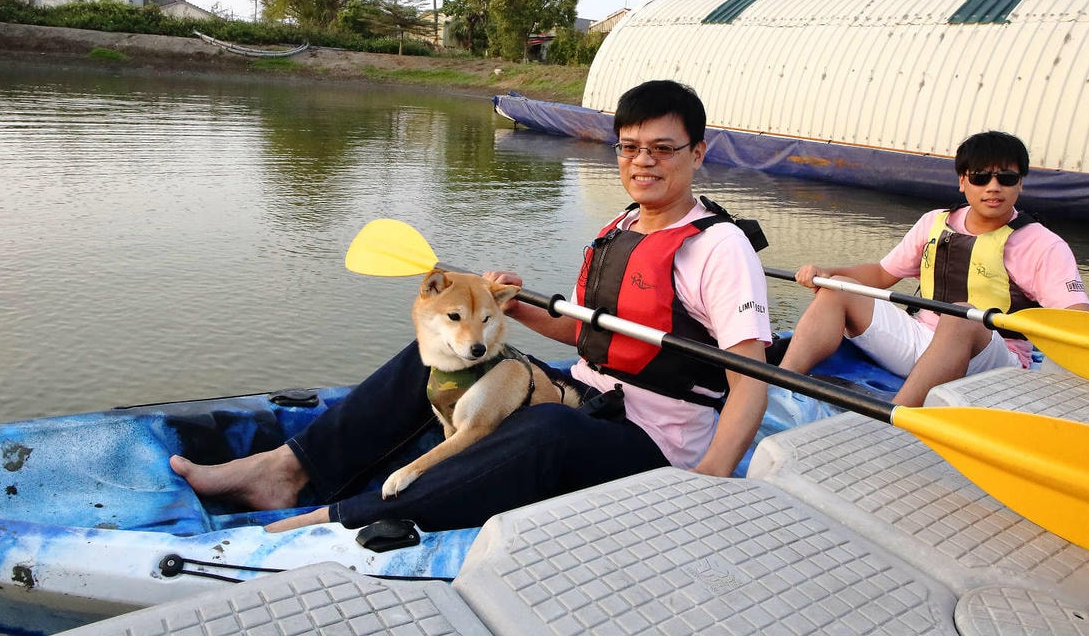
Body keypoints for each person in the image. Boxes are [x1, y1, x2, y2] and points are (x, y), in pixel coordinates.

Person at [170, 79, 772, 533]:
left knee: (545, 431)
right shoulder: (620, 227)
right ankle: (286, 469)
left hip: (652, 442)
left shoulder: (720, 247)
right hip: (585, 393)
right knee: (438, 356)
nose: (644, 162)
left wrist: (707, 484)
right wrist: (507, 306)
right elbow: (591, 336)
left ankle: (339, 517)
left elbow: (749, 381)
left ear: (697, 153)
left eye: (664, 149)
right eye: (631, 147)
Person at [775, 130, 1089, 408]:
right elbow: (883, 274)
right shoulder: (934, 222)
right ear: (963, 181)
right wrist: (828, 273)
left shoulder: (1042, 244)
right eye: (981, 177)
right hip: (923, 340)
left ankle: (896, 416)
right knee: (838, 288)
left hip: (996, 360)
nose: (993, 187)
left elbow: (1075, 317)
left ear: (1020, 183)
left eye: (1006, 178)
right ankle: (779, 383)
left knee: (962, 315)